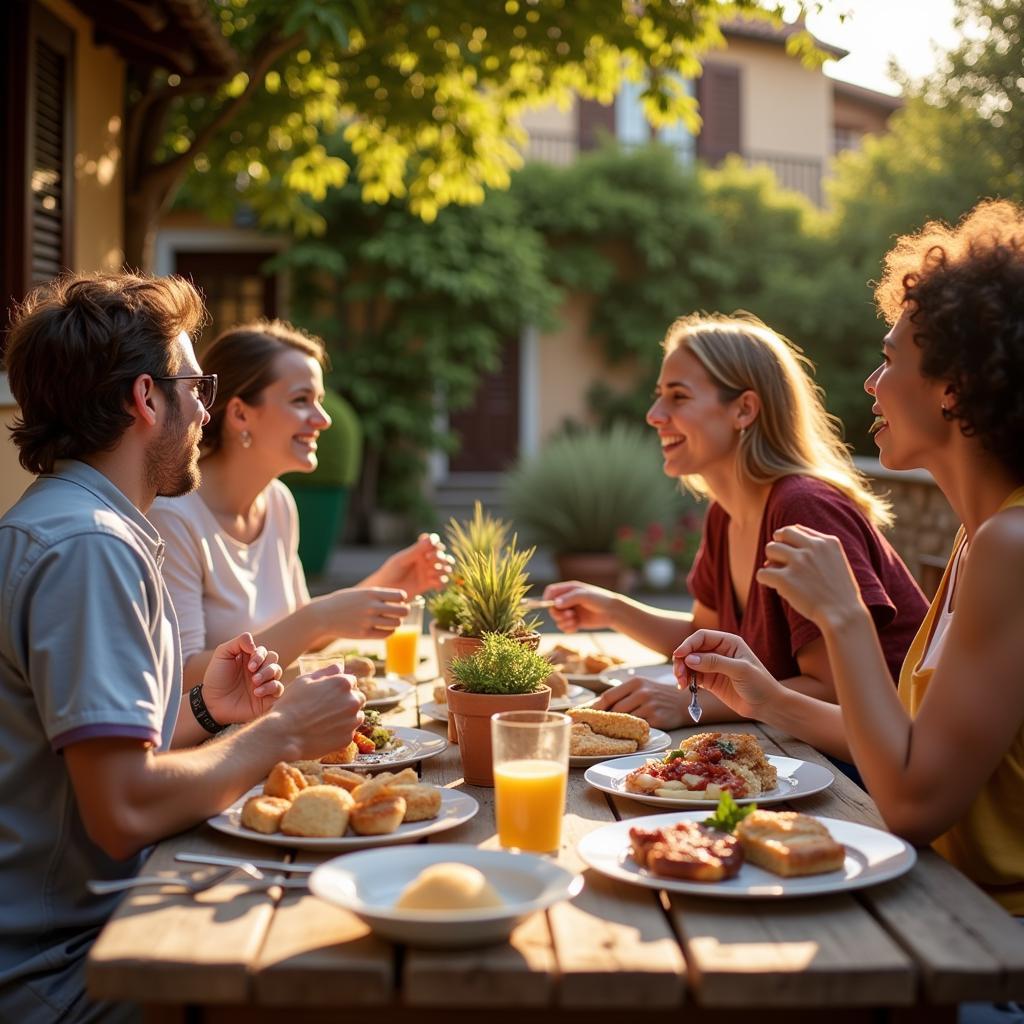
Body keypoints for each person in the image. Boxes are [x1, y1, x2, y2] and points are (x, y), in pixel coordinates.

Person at [0, 274, 365, 1023]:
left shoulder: (81, 523)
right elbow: (123, 810)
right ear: (146, 400)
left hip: (104, 923)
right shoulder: (88, 550)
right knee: (341, 975)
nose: (204, 409)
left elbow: (96, 757)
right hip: (68, 967)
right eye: (196, 386)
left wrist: (202, 705)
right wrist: (283, 731)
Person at [674, 200, 1024, 916]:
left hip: (987, 942)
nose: (870, 381)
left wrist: (844, 616)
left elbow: (913, 804)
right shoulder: (978, 539)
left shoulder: (1011, 548)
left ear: (954, 386)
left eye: (891, 358)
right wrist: (764, 698)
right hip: (937, 900)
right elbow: (908, 745)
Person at [544, 313, 927, 731]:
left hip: (873, 767)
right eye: (659, 396)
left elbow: (833, 689)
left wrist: (691, 704)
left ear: (744, 409)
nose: (654, 414)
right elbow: (701, 637)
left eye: (678, 396)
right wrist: (612, 609)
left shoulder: (803, 508)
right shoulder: (724, 514)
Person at [148, 320, 450, 686]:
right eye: (301, 400)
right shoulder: (173, 517)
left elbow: (299, 636)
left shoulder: (277, 502)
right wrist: (317, 618)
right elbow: (184, 676)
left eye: (318, 401)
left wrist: (386, 585)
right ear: (241, 414)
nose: (323, 420)